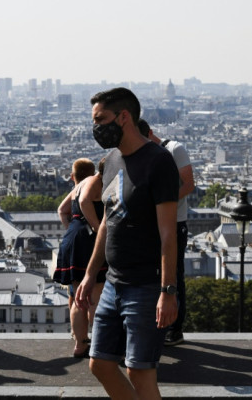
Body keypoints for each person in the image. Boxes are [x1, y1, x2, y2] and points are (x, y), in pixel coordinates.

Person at [76, 87, 179, 400]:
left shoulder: (158, 162)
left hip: (146, 285)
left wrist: (167, 291)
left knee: (139, 370)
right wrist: (90, 273)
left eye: (101, 119)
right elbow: (109, 221)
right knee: (100, 364)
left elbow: (168, 233)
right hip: (113, 282)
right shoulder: (111, 161)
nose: (96, 128)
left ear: (124, 117)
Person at [138, 118, 194, 346]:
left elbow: (189, 185)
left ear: (150, 134)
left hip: (174, 221)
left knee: (174, 274)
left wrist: (159, 203)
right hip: (153, 222)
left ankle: (175, 329)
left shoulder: (174, 149)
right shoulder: (143, 154)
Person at [54, 157, 107, 358]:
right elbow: (85, 202)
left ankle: (80, 342)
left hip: (72, 239)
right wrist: (96, 227)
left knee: (78, 296)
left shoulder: (79, 185)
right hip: (89, 240)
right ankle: (100, 342)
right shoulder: (95, 180)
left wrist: (73, 230)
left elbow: (62, 209)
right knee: (96, 295)